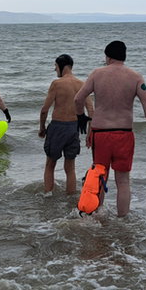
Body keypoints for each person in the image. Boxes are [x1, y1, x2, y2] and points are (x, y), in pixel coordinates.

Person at [74, 41, 146, 217]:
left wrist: (81, 117)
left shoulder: (97, 74)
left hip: (101, 134)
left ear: (108, 57)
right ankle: (123, 221)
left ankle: (97, 215)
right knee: (123, 182)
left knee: (100, 177)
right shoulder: (136, 77)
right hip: (124, 134)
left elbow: (78, 99)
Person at [39, 54, 93, 194]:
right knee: (70, 168)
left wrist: (42, 128)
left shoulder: (56, 84)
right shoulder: (81, 84)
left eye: (56, 66)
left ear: (62, 67)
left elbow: (44, 110)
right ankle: (70, 200)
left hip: (58, 127)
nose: (54, 69)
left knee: (50, 165)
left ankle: (48, 197)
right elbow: (91, 110)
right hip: (74, 128)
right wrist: (89, 133)